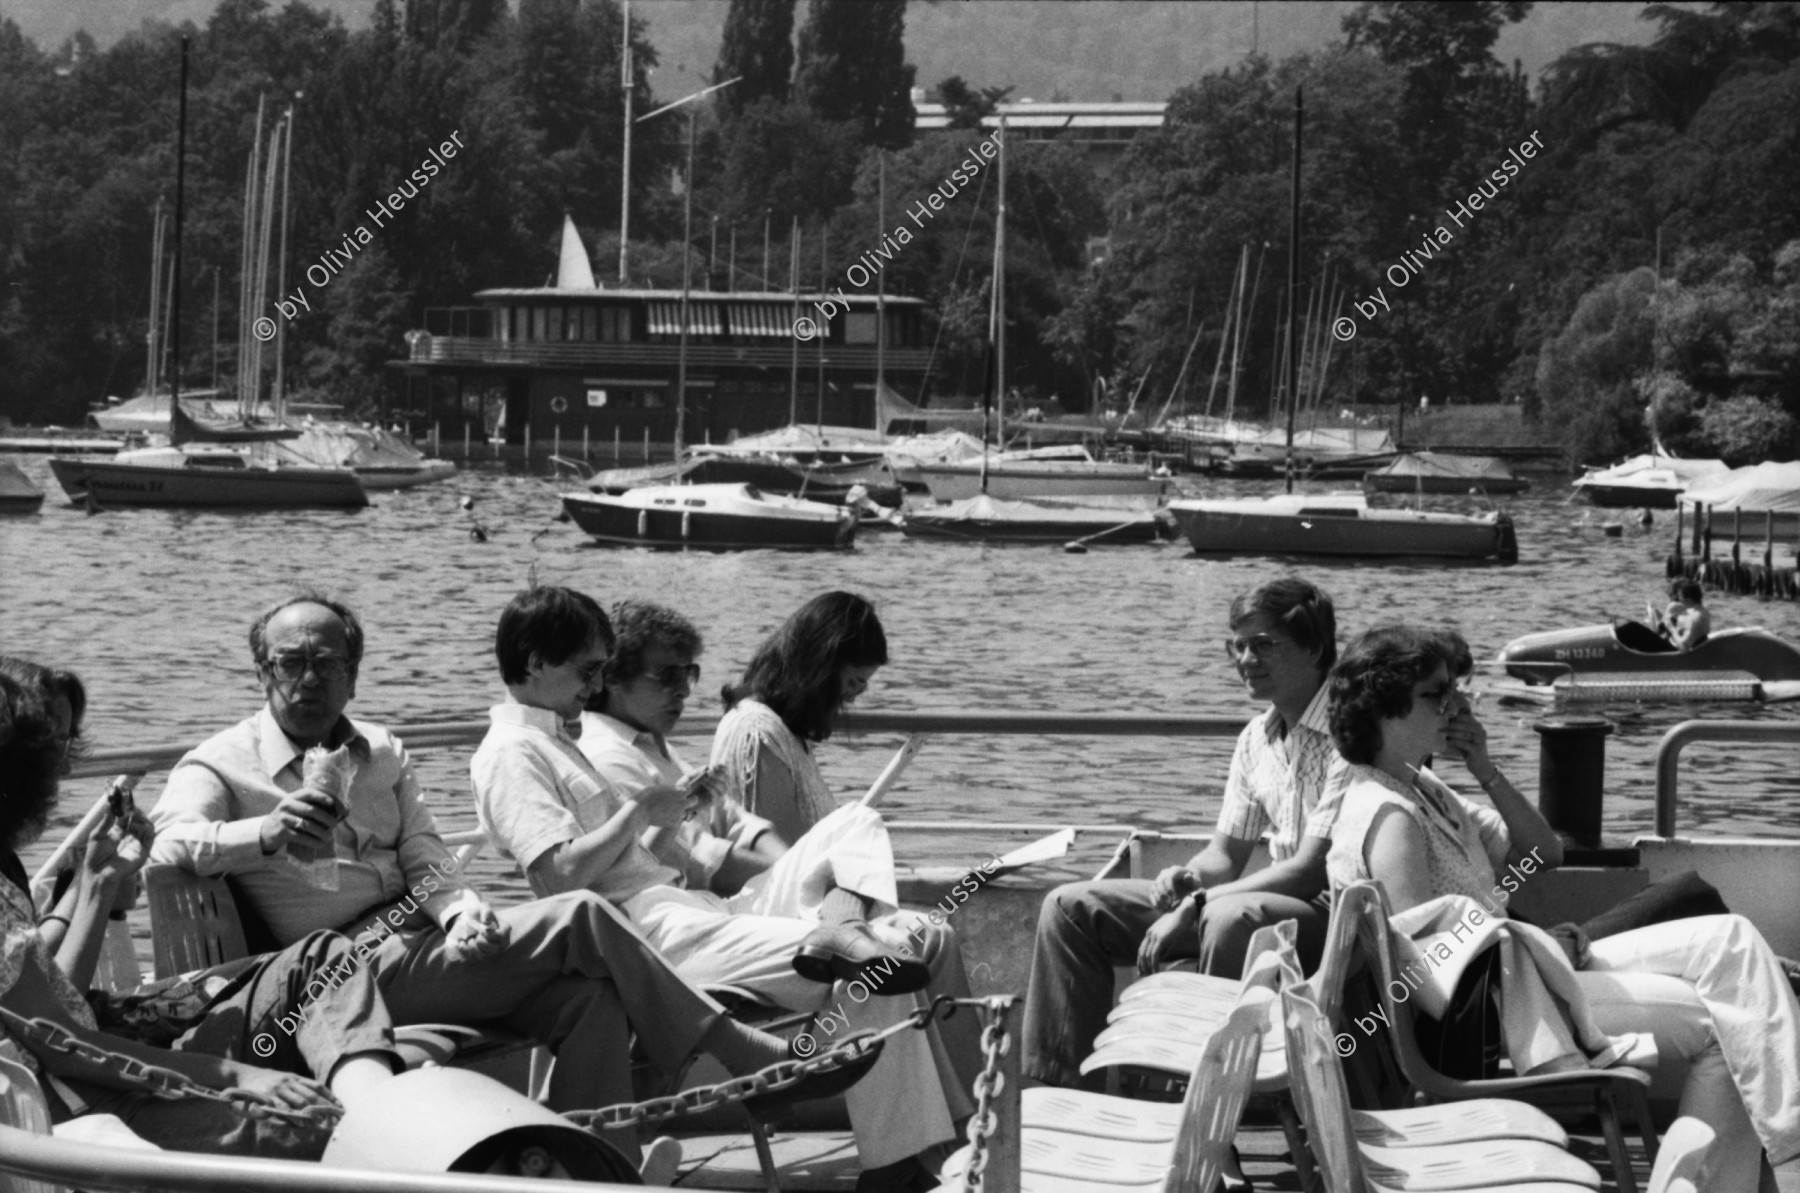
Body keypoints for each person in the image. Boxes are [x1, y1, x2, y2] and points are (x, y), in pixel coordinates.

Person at [148, 592, 868, 1166]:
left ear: (353, 671)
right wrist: (264, 831)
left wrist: (461, 911)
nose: (308, 678)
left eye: (327, 663)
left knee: (588, 996)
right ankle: (740, 1052)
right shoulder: (221, 764)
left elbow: (428, 858)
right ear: (261, 671)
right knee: (583, 912)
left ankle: (599, 1168)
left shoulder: (382, 751)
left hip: (422, 947)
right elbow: (170, 839)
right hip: (336, 977)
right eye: (289, 662)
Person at [474, 589, 972, 1193]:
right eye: (587, 670)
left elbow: (661, 851)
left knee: (858, 829)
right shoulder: (511, 752)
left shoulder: (557, 740)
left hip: (682, 909)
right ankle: (903, 1161)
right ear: (532, 662)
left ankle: (846, 935)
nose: (596, 683)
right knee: (874, 965)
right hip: (643, 934)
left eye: (602, 668)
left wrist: (658, 817)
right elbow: (555, 877)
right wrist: (640, 811)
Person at [1324, 624, 1800, 1193]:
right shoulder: (1390, 815)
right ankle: (1778, 1163)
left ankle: (1788, 1145)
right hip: (1506, 1002)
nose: (1455, 703)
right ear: (1386, 710)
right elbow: (1429, 965)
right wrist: (1532, 943)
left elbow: (1543, 852)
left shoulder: (1423, 789)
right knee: (1723, 1022)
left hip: (1529, 968)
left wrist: (1483, 767)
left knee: (1731, 940)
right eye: (1437, 694)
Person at [0, 663, 404, 1159]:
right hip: (62, 1099)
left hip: (86, 1055)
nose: (63, 770)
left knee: (323, 956)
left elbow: (58, 1005)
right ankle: (384, 1131)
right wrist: (238, 1076)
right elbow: (64, 1042)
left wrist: (99, 881)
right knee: (317, 1132)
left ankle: (375, 1107)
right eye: (50, 751)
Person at [1023, 576, 1346, 1091]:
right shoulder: (1255, 740)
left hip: (1332, 914)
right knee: (1070, 909)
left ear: (1314, 649)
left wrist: (1195, 906)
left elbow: (1311, 871)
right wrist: (1188, 878)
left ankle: (1203, 1104)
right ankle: (1059, 1096)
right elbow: (1226, 854)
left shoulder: (1348, 732)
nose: (1246, 659)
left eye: (1263, 645)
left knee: (1225, 917)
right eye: (1236, 646)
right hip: (1267, 900)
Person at [709, 590, 889, 847]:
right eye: (852, 683)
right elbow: (784, 861)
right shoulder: (760, 734)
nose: (850, 699)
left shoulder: (782, 732)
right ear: (822, 666)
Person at [1650, 579, 1711, 650]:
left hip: (1673, 650)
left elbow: (1683, 646)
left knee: (1634, 627)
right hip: (1675, 643)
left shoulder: (1693, 618)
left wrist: (1671, 628)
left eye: (1680, 596)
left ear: (1688, 600)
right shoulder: (1703, 611)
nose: (1678, 599)